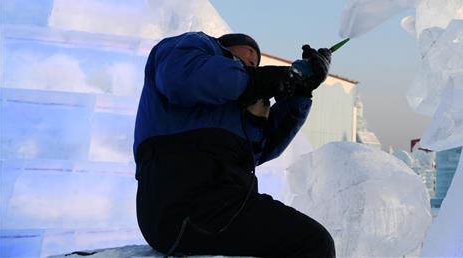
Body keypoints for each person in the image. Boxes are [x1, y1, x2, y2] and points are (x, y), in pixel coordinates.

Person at [133, 31, 336, 258]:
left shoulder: (241, 105)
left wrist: (301, 91)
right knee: (311, 243)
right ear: (225, 47)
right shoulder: (196, 45)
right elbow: (178, 76)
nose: (253, 60)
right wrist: (254, 80)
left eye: (256, 62)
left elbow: (264, 148)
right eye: (248, 52)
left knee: (303, 239)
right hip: (180, 199)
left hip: (225, 201)